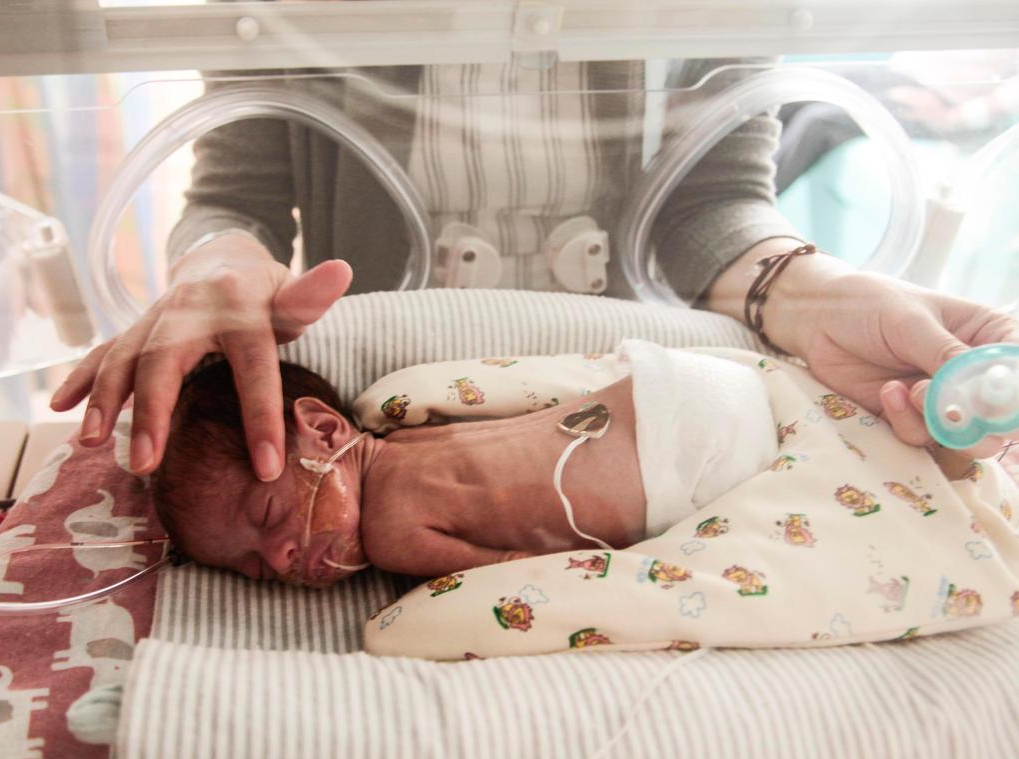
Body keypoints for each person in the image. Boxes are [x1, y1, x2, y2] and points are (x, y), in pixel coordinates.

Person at [49, 56, 1019, 483]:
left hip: (641, 367)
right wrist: (220, 263)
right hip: (382, 375)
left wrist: (813, 292)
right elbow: (237, 184)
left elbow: (710, 200)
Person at [151, 342, 1013, 590]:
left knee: (871, 502)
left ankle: (961, 434)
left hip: (691, 467)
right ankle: (960, 416)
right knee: (879, 440)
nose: (280, 560)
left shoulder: (394, 529)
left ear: (318, 424)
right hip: (692, 387)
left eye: (267, 523)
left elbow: (529, 578)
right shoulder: (406, 434)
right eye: (250, 567)